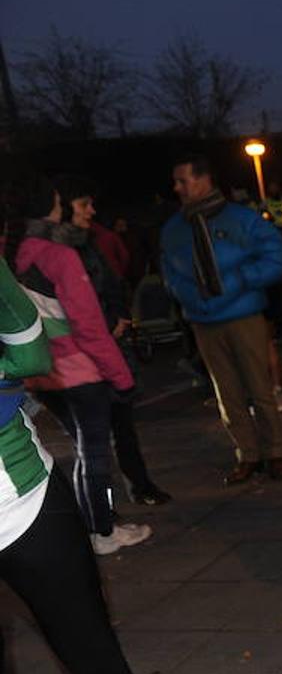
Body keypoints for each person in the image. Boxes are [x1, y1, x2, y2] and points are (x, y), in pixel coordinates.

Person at [0, 175, 182, 674]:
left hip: (22, 500)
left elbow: (30, 343)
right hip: (27, 479)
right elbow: (32, 342)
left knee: (94, 653)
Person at [7, 177, 154, 554]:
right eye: (59, 204)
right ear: (49, 210)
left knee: (82, 450)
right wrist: (120, 376)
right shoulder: (60, 255)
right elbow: (88, 325)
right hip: (77, 371)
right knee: (95, 455)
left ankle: (94, 525)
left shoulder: (14, 253)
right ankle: (102, 531)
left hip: (42, 375)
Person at [160, 154, 282, 483]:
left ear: (204, 180)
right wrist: (186, 294)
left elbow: (277, 257)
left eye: (183, 180)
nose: (176, 187)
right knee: (226, 392)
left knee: (259, 386)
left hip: (243, 315)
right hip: (203, 322)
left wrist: (241, 280)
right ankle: (246, 454)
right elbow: (167, 272)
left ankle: (274, 451)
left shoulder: (242, 219)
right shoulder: (174, 229)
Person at [53, 175, 172, 507]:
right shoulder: (58, 253)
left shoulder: (88, 243)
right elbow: (73, 306)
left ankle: (140, 485)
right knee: (92, 442)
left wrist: (119, 316)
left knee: (123, 425)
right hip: (82, 354)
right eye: (84, 204)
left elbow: (112, 283)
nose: (92, 210)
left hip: (108, 346)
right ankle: (103, 512)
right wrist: (106, 324)